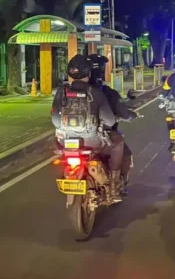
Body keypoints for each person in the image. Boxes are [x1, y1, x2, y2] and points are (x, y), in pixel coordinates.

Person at [52, 55, 125, 202]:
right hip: (92, 141)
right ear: (89, 73)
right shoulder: (96, 93)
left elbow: (55, 120)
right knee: (118, 143)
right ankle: (113, 185)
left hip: (66, 141)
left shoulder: (61, 92)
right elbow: (110, 121)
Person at [87, 54, 137, 192]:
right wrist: (131, 116)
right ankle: (114, 183)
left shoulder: (68, 91)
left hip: (74, 140)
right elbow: (116, 117)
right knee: (123, 150)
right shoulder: (106, 93)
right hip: (101, 139)